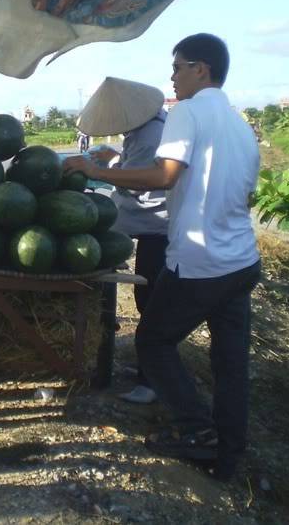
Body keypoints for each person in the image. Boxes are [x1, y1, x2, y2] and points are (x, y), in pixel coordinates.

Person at [63, 34, 261, 482]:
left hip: (200, 260)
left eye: (177, 67)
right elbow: (243, 193)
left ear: (201, 70)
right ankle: (227, 457)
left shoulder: (186, 112)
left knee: (152, 342)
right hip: (242, 261)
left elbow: (164, 175)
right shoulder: (239, 124)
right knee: (230, 363)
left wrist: (96, 170)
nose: (172, 76)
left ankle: (195, 430)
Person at [76, 77, 169, 404]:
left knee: (151, 302)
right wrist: (114, 160)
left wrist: (95, 170)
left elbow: (138, 183)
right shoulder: (150, 126)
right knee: (149, 298)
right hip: (146, 221)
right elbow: (134, 168)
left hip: (157, 225)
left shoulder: (150, 135)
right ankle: (150, 370)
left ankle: (152, 380)